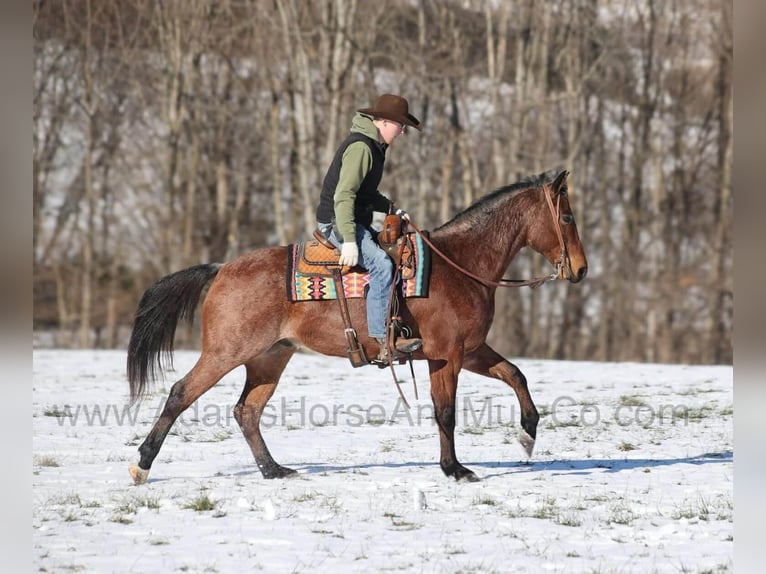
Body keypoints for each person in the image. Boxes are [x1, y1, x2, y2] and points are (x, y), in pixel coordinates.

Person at [316, 93, 423, 363]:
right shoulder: (362, 149)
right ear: (384, 122)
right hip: (338, 222)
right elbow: (344, 196)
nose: (401, 132)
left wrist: (392, 209)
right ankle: (382, 341)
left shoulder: (374, 148)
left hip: (353, 219)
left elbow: (367, 193)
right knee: (381, 265)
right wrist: (349, 240)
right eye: (401, 126)